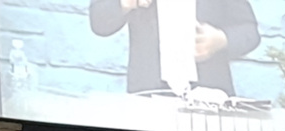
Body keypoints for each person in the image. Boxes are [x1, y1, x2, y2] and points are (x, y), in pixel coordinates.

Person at [89, 0, 260, 96]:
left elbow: (249, 31)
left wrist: (222, 39)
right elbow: (99, 22)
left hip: (211, 94)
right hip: (148, 92)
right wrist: (124, 3)